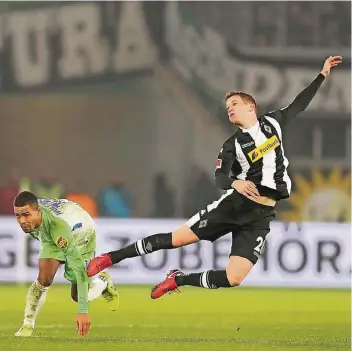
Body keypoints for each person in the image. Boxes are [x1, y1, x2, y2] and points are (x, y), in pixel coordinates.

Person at [87, 56, 342, 298]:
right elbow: (219, 176)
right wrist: (235, 182)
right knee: (175, 240)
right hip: (234, 206)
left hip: (260, 216)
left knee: (234, 278)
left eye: (234, 105)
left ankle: (177, 279)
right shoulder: (232, 145)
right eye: (227, 107)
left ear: (250, 106)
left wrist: (322, 75)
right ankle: (109, 258)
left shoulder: (273, 123)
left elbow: (300, 103)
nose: (230, 110)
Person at [13, 191, 119, 337]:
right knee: (44, 279)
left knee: (77, 296)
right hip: (57, 230)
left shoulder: (57, 227)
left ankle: (103, 282)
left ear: (38, 212)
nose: (22, 220)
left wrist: (83, 312)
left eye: (26, 215)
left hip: (82, 235)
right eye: (17, 215)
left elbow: (79, 270)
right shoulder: (33, 212)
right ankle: (27, 325)